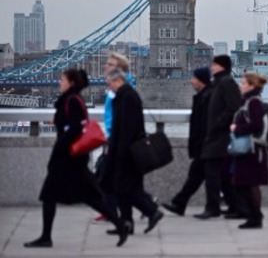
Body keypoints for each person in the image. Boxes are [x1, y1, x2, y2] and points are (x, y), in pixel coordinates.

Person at [24, 69, 128, 248]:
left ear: (71, 82)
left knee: (51, 195)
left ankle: (46, 237)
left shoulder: (71, 100)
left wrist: (59, 148)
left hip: (68, 158)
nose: (59, 82)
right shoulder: (73, 99)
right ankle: (120, 225)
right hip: (73, 158)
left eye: (63, 80)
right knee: (86, 197)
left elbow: (75, 129)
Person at [101, 69, 164, 234]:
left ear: (118, 81)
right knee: (128, 188)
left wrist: (118, 152)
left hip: (127, 153)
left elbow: (126, 129)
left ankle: (151, 211)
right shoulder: (125, 96)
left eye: (110, 84)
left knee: (122, 188)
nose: (109, 88)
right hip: (125, 151)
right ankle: (126, 223)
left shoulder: (127, 97)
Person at [162, 67, 213, 216]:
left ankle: (182, 203)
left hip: (206, 144)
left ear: (201, 80)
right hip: (205, 145)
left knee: (204, 177)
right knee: (198, 176)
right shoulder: (204, 95)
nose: (191, 81)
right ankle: (180, 203)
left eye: (194, 78)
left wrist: (200, 143)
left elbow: (203, 124)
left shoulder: (206, 97)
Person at [196, 55, 242, 219]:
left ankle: (213, 207)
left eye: (214, 64)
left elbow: (235, 106)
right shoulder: (218, 83)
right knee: (222, 175)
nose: (211, 67)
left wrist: (218, 123)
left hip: (220, 136)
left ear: (221, 66)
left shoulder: (226, 82)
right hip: (216, 135)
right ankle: (234, 207)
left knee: (212, 173)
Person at [94, 52, 136, 223]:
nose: (106, 66)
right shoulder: (115, 88)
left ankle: (148, 207)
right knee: (111, 177)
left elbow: (124, 116)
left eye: (111, 64)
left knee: (107, 177)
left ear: (120, 69)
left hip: (118, 139)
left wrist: (114, 139)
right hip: (112, 137)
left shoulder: (123, 89)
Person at [229, 73, 268, 229]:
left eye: (244, 83)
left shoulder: (253, 102)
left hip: (252, 150)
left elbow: (256, 125)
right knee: (243, 183)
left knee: (249, 184)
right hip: (248, 149)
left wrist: (236, 128)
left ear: (252, 86)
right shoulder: (248, 101)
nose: (241, 85)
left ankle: (255, 217)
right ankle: (254, 215)